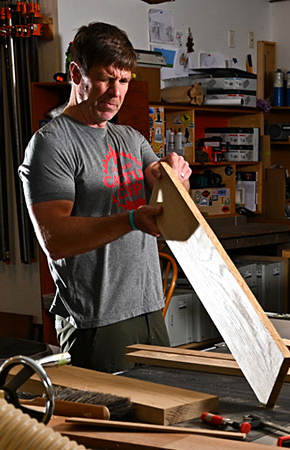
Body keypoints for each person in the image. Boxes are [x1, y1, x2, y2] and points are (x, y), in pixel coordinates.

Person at [19, 22, 191, 372]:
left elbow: (167, 204)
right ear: (75, 73)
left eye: (124, 81)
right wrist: (130, 219)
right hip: (97, 320)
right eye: (105, 78)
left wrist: (176, 179)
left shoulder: (131, 138)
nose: (116, 92)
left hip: (148, 307)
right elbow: (56, 239)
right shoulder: (52, 144)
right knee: (111, 421)